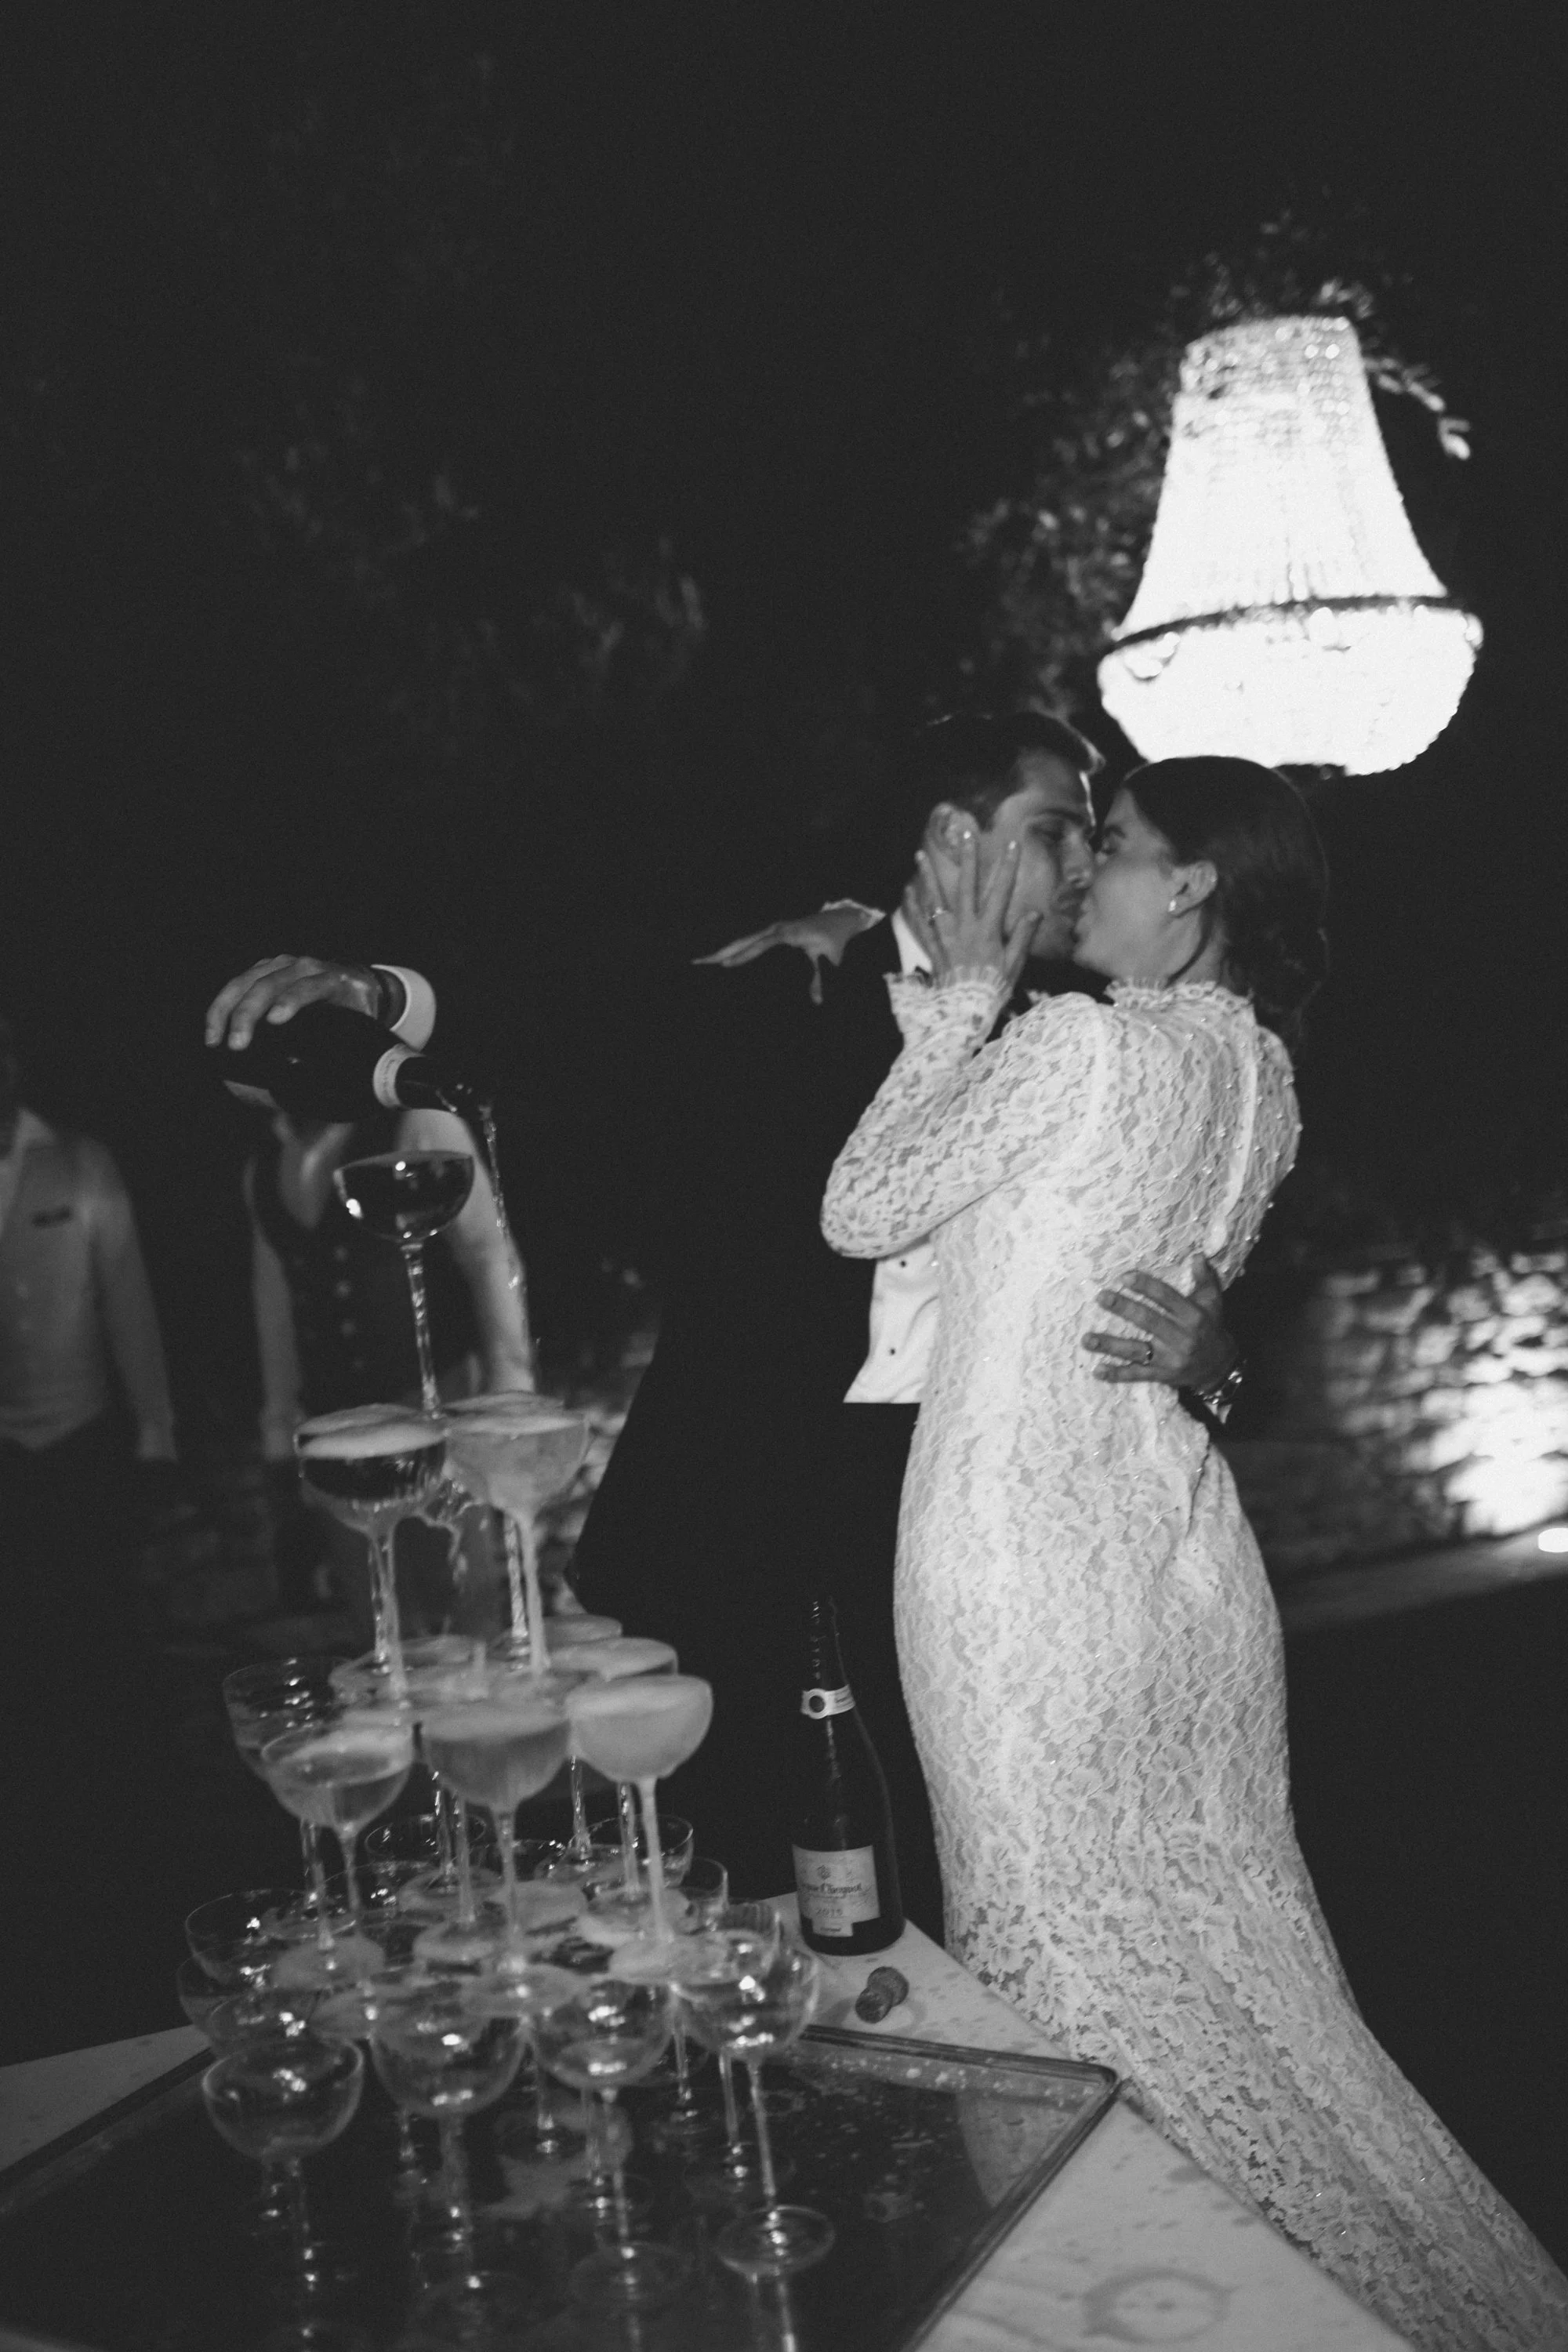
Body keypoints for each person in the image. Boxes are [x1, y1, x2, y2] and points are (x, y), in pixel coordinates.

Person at [203, 713, 1236, 1928]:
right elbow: (572, 1022)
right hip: (749, 1516)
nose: (1077, 866)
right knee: (743, 1893)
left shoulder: (1085, 1037)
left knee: (956, 1881)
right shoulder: (785, 983)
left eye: (1091, 840)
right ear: (957, 838)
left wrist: (1216, 1365)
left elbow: (1171, 1250)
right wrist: (373, 989)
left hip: (963, 1521)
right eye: (1055, 829)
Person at [820, 757, 1568, 2351]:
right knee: (1242, 1971)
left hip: (1020, 1565)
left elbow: (865, 1206)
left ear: (1196, 887)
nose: (1086, 869)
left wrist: (960, 997)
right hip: (1176, 1566)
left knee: (1051, 1960)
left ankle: (1127, 2310)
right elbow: (1146, 1300)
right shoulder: (1267, 1077)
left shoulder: (1078, 1046)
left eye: (1119, 848)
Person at [245, 1094, 535, 1641]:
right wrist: (279, 1427)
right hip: (334, 1421)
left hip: (432, 1397)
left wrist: (509, 1387)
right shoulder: (263, 1164)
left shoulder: (417, 1125)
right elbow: (274, 1298)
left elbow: (487, 1253)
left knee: (459, 1601)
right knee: (377, 1615)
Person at [1, 1011, 178, 1610]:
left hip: (82, 1436)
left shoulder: (81, 1161)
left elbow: (130, 1302)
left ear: (13, 1064)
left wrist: (155, 1429)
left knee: (97, 1609)